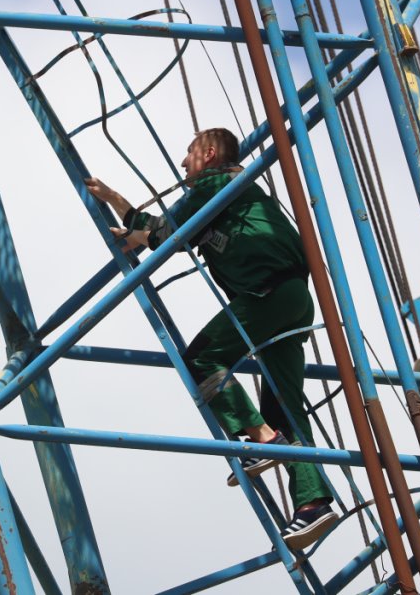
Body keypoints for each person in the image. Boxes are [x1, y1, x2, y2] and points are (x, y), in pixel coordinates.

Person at [84, 127, 337, 550]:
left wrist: (134, 222)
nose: (183, 164)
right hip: (289, 297)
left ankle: (263, 440)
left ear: (209, 153)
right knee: (285, 404)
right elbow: (167, 233)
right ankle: (314, 504)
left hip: (267, 292)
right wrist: (124, 213)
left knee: (202, 358)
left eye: (189, 154)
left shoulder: (215, 184)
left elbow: (166, 232)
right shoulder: (225, 200)